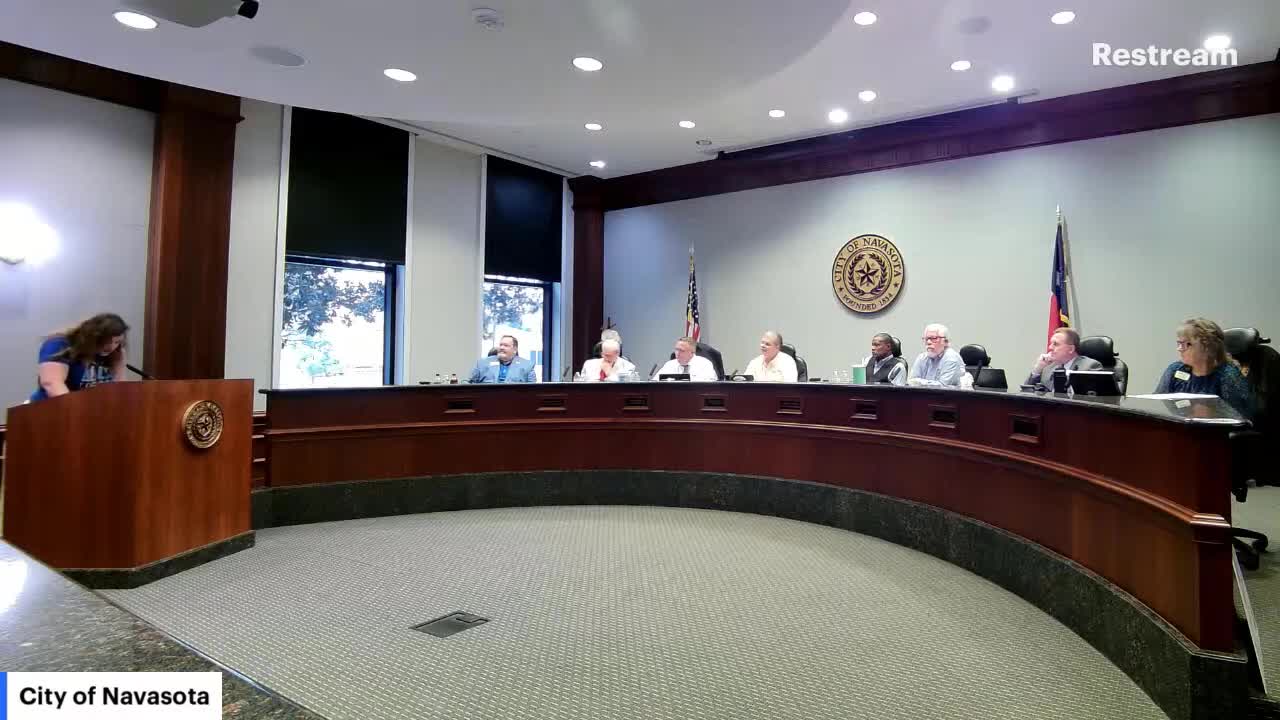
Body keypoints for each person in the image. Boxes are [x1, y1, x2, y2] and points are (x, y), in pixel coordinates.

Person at [1155, 317, 1253, 418]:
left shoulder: (1227, 375)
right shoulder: (1175, 370)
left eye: (1186, 344)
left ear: (1207, 346)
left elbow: (1240, 417)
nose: (1179, 349)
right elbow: (1157, 405)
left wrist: (1213, 412)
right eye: (1179, 343)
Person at [31, 313, 130, 401]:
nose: (111, 347)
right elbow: (52, 383)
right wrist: (76, 409)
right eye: (106, 341)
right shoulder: (60, 344)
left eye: (117, 342)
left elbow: (119, 388)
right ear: (92, 336)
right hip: (53, 409)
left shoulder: (116, 353)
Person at [1026, 328, 1102, 387]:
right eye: (1051, 343)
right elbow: (1026, 393)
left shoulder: (1089, 367)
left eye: (1055, 344)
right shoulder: (1048, 368)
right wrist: (1037, 370)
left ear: (1071, 349)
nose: (1050, 347)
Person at [468, 335, 537, 383]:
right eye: (500, 345)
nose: (501, 348)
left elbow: (533, 389)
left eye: (506, 345)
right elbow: (469, 383)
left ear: (515, 349)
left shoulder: (527, 365)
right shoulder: (482, 363)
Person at [653, 337, 717, 381]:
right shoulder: (670, 364)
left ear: (692, 352)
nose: (677, 353)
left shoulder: (704, 364)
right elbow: (655, 382)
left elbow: (710, 384)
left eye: (681, 350)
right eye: (676, 349)